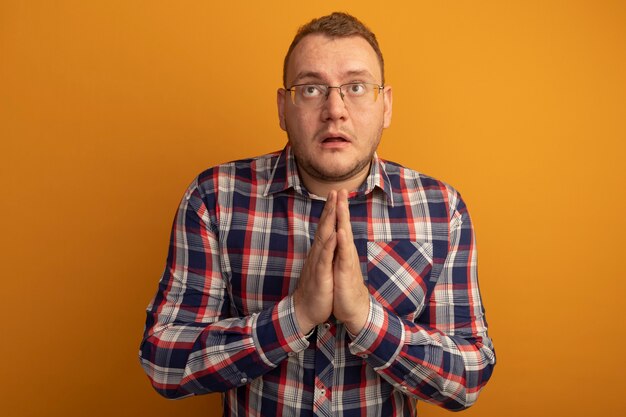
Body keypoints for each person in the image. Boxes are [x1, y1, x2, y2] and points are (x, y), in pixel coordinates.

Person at [139, 12, 496, 416]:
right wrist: (296, 315)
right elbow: (164, 362)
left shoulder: (440, 209)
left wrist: (365, 318)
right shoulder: (216, 198)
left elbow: (467, 378)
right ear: (282, 108)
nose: (335, 110)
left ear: (387, 105)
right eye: (311, 89)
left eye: (356, 87)